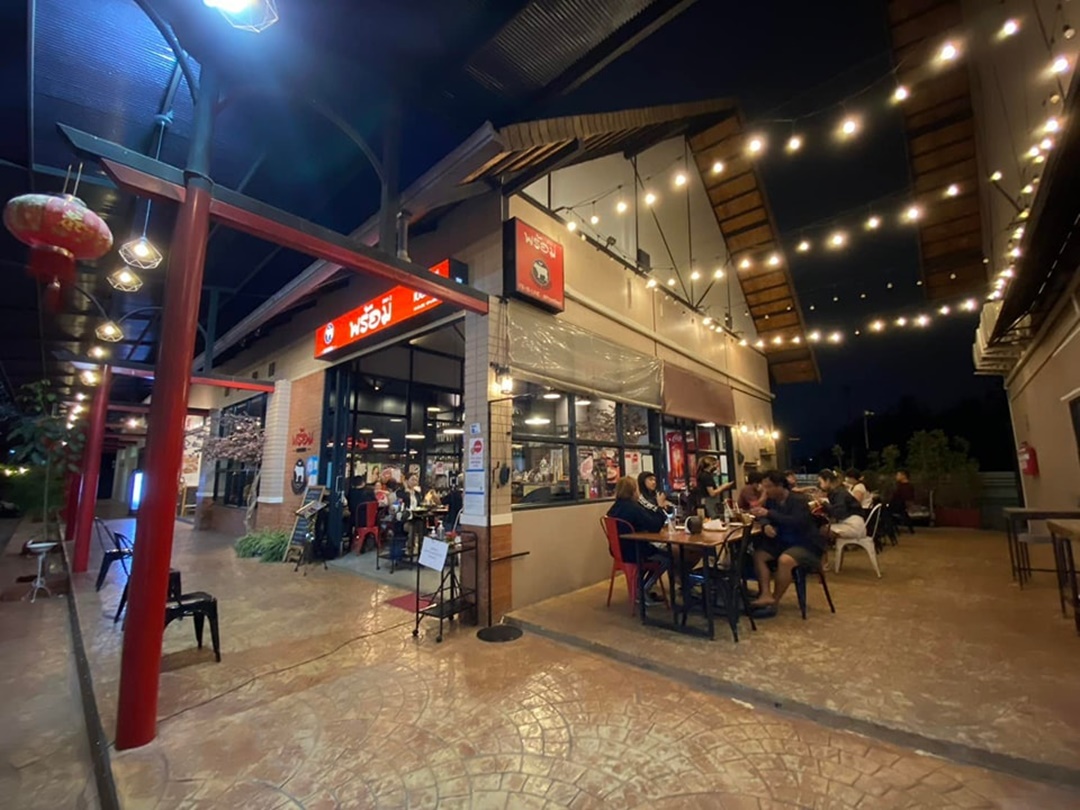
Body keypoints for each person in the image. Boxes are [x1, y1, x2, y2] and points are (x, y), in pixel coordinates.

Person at [749, 470, 824, 611]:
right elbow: (762, 516)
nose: (765, 490)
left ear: (780, 486)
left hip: (806, 544)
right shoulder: (771, 501)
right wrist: (766, 525)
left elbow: (796, 522)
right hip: (784, 543)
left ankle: (774, 601)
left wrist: (769, 514)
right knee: (759, 555)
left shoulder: (799, 500)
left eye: (768, 487)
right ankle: (765, 594)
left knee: (785, 561)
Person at [606, 476, 670, 602]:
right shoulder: (633, 508)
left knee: (655, 553)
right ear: (634, 491)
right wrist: (660, 507)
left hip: (618, 551)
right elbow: (654, 526)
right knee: (667, 558)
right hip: (634, 551)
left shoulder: (614, 508)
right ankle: (642, 590)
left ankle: (638, 586)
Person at [820, 469, 867, 541]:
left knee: (822, 530)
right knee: (824, 528)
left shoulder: (839, 493)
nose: (820, 485)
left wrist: (824, 504)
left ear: (828, 480)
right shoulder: (839, 491)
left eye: (821, 482)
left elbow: (839, 513)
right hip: (853, 524)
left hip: (853, 527)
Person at [889, 469, 916, 534]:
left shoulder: (906, 487)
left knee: (885, 511)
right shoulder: (900, 486)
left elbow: (905, 498)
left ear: (904, 476)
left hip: (900, 506)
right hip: (899, 505)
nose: (896, 477)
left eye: (898, 475)